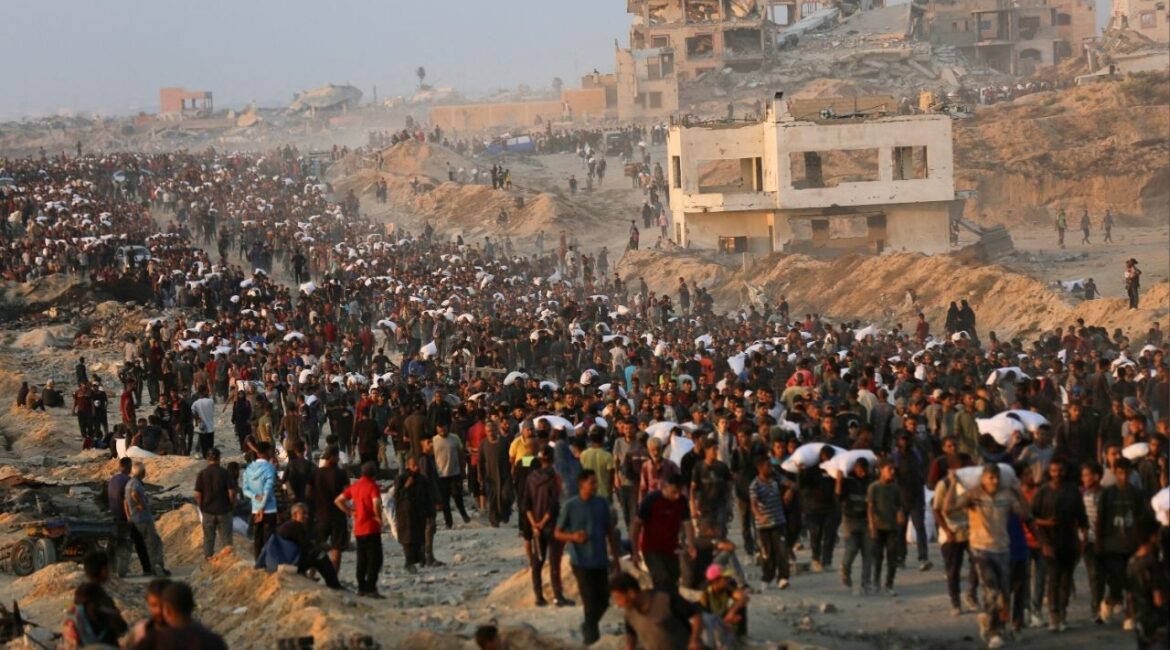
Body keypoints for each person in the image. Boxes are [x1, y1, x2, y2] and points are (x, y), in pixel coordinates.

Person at [947, 463, 1035, 650]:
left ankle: (994, 624)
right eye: (990, 477)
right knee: (991, 589)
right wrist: (953, 484)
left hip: (1003, 550)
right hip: (981, 549)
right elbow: (949, 508)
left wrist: (1017, 490)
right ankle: (993, 632)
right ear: (982, 479)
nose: (995, 481)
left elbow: (1026, 514)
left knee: (1004, 595)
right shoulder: (974, 495)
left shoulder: (1007, 496)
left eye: (997, 477)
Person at [555, 470, 621, 645]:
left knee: (604, 601)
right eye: (591, 482)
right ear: (581, 484)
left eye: (595, 482)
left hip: (600, 559)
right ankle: (592, 638)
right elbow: (558, 533)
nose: (595, 486)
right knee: (590, 601)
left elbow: (610, 532)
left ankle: (588, 625)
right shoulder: (571, 505)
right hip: (581, 561)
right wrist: (574, 537)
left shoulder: (601, 504)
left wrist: (615, 558)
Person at [1030, 457, 1087, 631]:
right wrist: (1044, 535)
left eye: (1060, 471)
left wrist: (1083, 540)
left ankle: (1062, 614)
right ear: (1049, 472)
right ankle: (1053, 617)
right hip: (1049, 542)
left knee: (1066, 580)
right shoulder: (1042, 492)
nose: (1057, 474)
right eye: (1053, 471)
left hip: (1069, 542)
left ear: (1066, 471)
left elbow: (1082, 518)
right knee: (1053, 579)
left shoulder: (1073, 491)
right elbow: (1031, 519)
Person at [519, 446, 570, 606]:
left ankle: (539, 597)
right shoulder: (555, 477)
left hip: (536, 527)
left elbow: (526, 504)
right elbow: (554, 504)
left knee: (537, 562)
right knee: (554, 562)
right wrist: (543, 522)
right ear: (553, 459)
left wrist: (535, 524)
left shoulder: (531, 477)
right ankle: (557, 596)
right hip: (551, 525)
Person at [630, 473, 695, 592]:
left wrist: (690, 544)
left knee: (674, 579)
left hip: (671, 549)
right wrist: (635, 552)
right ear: (665, 486)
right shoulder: (652, 499)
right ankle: (660, 607)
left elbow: (688, 524)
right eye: (674, 492)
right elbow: (636, 525)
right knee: (662, 580)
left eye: (679, 492)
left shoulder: (682, 501)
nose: (677, 496)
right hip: (651, 549)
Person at [609, 572, 704, 650]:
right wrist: (629, 647)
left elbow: (696, 615)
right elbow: (631, 632)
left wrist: (694, 640)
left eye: (619, 598)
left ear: (631, 593)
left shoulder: (664, 599)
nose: (618, 604)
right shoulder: (629, 613)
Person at [933, 453, 979, 615]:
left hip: (969, 530)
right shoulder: (944, 485)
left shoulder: (971, 484)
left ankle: (971, 594)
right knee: (953, 570)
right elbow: (937, 510)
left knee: (978, 562)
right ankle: (955, 602)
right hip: (951, 531)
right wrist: (946, 530)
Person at [336, 461, 386, 596]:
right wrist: (379, 518)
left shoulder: (355, 486)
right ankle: (371, 587)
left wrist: (350, 512)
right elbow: (376, 503)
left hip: (358, 527)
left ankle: (361, 587)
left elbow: (338, 500)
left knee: (361, 559)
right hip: (371, 527)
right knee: (375, 558)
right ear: (374, 474)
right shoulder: (372, 486)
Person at [62, 551, 129, 648]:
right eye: (108, 568)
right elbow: (121, 627)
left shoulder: (79, 596)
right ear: (103, 570)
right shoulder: (100, 598)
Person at [133, 581, 228, 649]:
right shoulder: (212, 640)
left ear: (168, 610)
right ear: (192, 607)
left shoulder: (155, 640)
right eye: (153, 605)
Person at [274, 502, 343, 589]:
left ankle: (331, 583)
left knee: (317, 554)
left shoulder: (287, 525)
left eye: (307, 513)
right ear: (295, 514)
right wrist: (323, 546)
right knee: (321, 556)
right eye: (303, 513)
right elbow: (307, 547)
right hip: (289, 565)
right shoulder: (296, 526)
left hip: (282, 562)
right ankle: (334, 585)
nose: (306, 516)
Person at [750, 455, 791, 590]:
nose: (770, 468)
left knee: (782, 551)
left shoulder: (775, 478)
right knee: (767, 554)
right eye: (768, 466)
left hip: (779, 522)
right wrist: (759, 516)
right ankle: (767, 577)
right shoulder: (755, 485)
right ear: (760, 468)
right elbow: (754, 505)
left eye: (771, 465)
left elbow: (791, 484)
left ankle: (783, 578)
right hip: (764, 526)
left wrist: (789, 491)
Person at [108, 457, 152, 577]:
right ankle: (147, 569)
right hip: (126, 516)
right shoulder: (129, 481)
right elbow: (127, 500)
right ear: (128, 467)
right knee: (140, 541)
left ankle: (110, 567)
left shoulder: (113, 479)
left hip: (115, 515)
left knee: (112, 543)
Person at [124, 462, 169, 577]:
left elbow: (125, 501)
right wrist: (141, 504)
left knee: (141, 545)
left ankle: (147, 569)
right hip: (143, 518)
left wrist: (128, 515)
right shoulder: (136, 484)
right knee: (154, 543)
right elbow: (135, 494)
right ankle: (157, 567)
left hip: (134, 519)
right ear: (142, 473)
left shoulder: (128, 483)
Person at [868, 458, 905, 597]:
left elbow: (898, 505)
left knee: (892, 557)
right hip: (878, 526)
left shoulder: (895, 488)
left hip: (892, 527)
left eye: (893, 469)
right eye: (889, 469)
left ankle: (889, 584)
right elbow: (870, 508)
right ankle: (876, 583)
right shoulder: (874, 487)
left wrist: (900, 514)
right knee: (878, 557)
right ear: (881, 471)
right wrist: (872, 525)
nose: (892, 472)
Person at [836, 456, 873, 595]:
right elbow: (838, 497)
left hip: (866, 520)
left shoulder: (871, 481)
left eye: (864, 469)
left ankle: (866, 583)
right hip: (850, 520)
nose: (862, 472)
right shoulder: (848, 481)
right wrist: (839, 481)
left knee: (868, 554)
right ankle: (845, 571)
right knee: (851, 549)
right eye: (860, 469)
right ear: (855, 468)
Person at [313, 445, 350, 572]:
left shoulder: (316, 472)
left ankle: (311, 573)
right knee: (337, 547)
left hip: (320, 514)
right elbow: (347, 493)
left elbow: (308, 493)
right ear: (334, 457)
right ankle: (334, 576)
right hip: (337, 515)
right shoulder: (341, 473)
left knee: (318, 545)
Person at [194, 447, 236, 558]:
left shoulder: (202, 474)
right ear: (219, 458)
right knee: (227, 540)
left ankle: (208, 561)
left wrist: (202, 507)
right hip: (224, 510)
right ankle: (227, 563)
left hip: (208, 511)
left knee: (208, 539)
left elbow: (197, 495)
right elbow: (231, 492)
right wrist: (232, 505)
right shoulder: (225, 473)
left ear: (207, 459)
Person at [394, 454, 432, 574]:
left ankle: (420, 559)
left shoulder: (423, 479)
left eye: (417, 465)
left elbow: (427, 497)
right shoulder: (401, 478)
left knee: (419, 537)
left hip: (419, 512)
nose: (416, 468)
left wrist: (430, 512)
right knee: (407, 538)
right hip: (405, 513)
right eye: (413, 466)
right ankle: (408, 563)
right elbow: (397, 496)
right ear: (408, 466)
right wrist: (406, 486)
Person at [699, 564, 750, 647]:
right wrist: (725, 622)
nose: (728, 580)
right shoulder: (704, 594)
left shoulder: (726, 588)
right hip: (710, 623)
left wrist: (731, 613)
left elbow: (744, 597)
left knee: (740, 606)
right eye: (725, 578)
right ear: (716, 580)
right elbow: (705, 619)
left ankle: (741, 637)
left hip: (721, 617)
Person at [242, 441, 278, 559]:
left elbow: (245, 490)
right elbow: (267, 490)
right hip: (268, 509)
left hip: (255, 509)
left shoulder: (249, 468)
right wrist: (262, 508)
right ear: (267, 452)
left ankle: (258, 561)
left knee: (257, 537)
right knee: (269, 538)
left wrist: (255, 497)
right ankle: (268, 562)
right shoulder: (269, 468)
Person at [125, 578, 171, 647]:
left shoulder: (186, 632)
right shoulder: (141, 631)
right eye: (154, 605)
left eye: (163, 605)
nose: (158, 610)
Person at [191, 388, 216, 458]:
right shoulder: (211, 401)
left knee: (203, 444)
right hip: (210, 426)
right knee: (210, 444)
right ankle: (211, 456)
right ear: (205, 392)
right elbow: (213, 410)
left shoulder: (196, 403)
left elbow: (192, 412)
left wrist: (198, 418)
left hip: (202, 427)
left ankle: (205, 456)